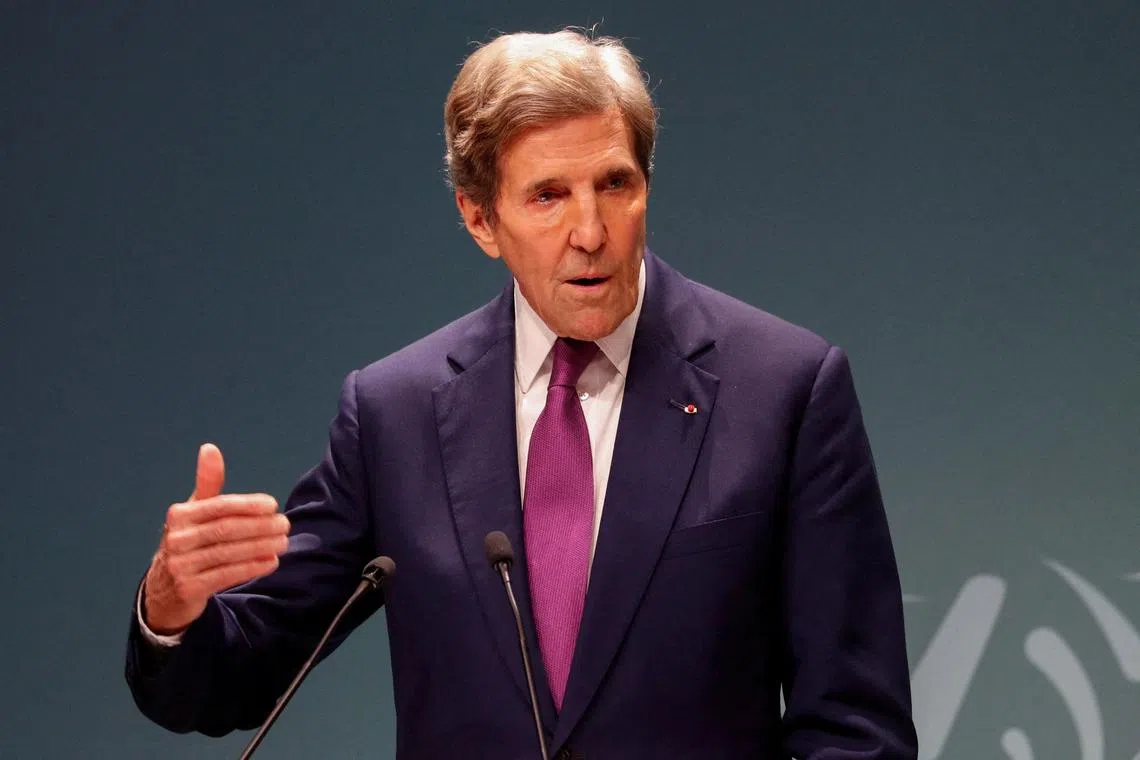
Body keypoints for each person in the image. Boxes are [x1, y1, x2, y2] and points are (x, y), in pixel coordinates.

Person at [125, 29, 918, 760]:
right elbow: (235, 675)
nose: (592, 230)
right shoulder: (394, 414)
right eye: (548, 196)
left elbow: (856, 727)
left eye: (615, 184)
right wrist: (171, 607)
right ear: (480, 218)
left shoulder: (783, 389)